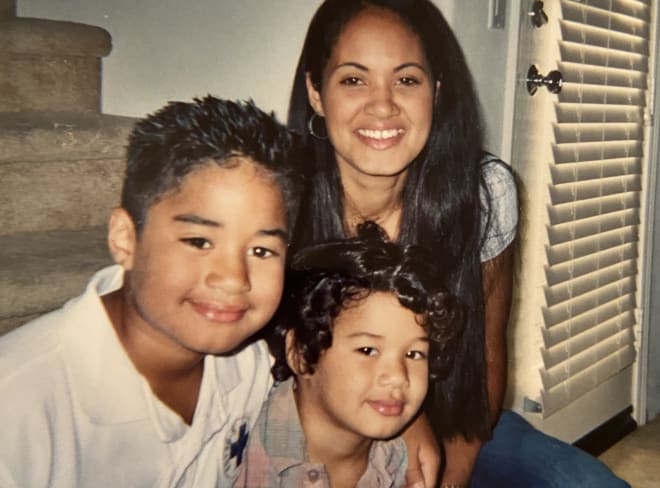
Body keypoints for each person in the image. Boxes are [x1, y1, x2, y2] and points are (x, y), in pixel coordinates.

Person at [286, 1, 629, 487]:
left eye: (406, 79)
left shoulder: (485, 194)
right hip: (325, 431)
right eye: (353, 79)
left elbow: (484, 367)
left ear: (437, 91)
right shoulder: (277, 196)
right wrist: (395, 427)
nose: (382, 105)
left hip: (454, 421)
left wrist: (453, 464)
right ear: (316, 93)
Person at [0, 96, 303, 487]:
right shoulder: (17, 406)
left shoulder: (248, 367)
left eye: (261, 250)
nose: (233, 278)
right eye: (198, 241)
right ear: (126, 240)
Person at [234, 221, 465, 487]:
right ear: (300, 353)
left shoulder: (404, 470)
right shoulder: (236, 453)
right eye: (368, 350)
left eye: (414, 354)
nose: (398, 377)